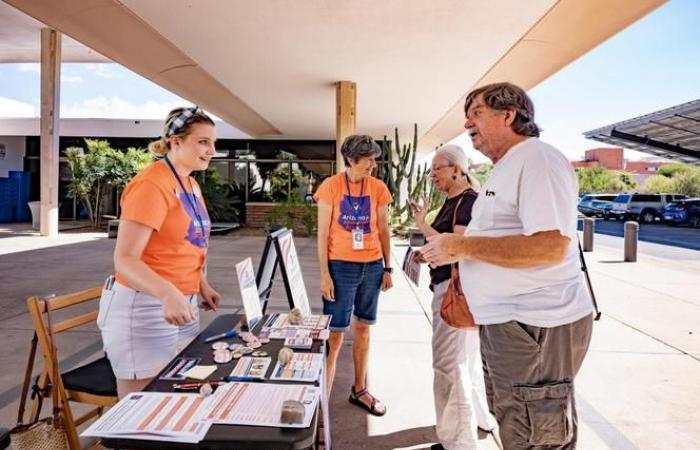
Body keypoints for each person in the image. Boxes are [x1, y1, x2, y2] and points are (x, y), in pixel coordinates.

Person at [420, 82, 594, 450]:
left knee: (536, 436)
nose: (468, 122)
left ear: (509, 114)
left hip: (535, 328)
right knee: (515, 426)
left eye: (476, 112)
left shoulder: (537, 159)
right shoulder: (508, 165)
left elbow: (550, 247)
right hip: (512, 326)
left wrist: (461, 246)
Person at [98, 106, 221, 398]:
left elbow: (186, 242)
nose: (212, 151)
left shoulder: (190, 184)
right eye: (203, 142)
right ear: (175, 141)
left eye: (213, 143)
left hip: (182, 304)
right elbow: (125, 259)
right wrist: (168, 293)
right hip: (145, 307)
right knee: (141, 410)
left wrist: (200, 284)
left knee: (174, 397)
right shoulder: (152, 184)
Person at [410, 144, 497, 450]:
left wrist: (429, 244)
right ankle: (479, 421)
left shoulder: (467, 201)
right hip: (456, 290)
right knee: (465, 365)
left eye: (438, 168)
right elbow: (448, 245)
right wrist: (425, 237)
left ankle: (459, 443)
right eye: (432, 168)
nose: (432, 174)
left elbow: (457, 248)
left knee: (449, 367)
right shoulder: (455, 201)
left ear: (457, 170)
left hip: (454, 293)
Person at [314, 134, 393, 416]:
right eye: (368, 159)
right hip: (340, 268)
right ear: (351, 160)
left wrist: (387, 267)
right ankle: (320, 402)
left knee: (363, 329)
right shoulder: (330, 187)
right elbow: (322, 234)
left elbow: (384, 230)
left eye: (374, 158)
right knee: (334, 337)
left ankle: (359, 390)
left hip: (371, 267)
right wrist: (325, 274)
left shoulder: (378, 188)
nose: (373, 164)